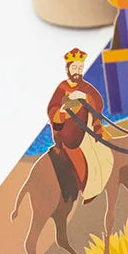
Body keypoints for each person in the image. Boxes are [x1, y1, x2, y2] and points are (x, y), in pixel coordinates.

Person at [46, 48, 106, 202]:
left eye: (80, 68)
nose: (77, 71)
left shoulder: (85, 87)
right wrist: (62, 111)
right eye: (74, 68)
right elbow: (52, 109)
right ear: (68, 69)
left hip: (87, 129)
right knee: (79, 156)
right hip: (69, 133)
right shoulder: (62, 88)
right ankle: (88, 188)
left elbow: (98, 102)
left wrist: (85, 97)